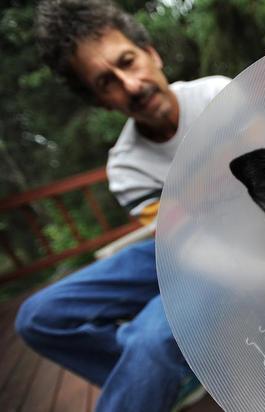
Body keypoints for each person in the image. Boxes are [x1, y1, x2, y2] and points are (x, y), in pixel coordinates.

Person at [14, 1, 230, 411]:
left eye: (128, 62)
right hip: (180, 247)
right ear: (101, 101)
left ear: (152, 53)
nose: (130, 85)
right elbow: (185, 244)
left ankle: (155, 368)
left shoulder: (220, 95)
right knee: (36, 318)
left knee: (148, 339)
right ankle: (168, 375)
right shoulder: (126, 166)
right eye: (107, 82)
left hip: (245, 242)